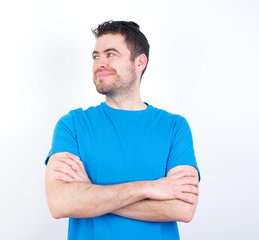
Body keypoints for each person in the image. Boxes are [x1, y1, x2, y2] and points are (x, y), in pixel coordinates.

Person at [44, 20, 200, 240]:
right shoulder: (73, 125)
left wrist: (90, 194)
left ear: (139, 62)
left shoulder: (174, 126)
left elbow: (183, 208)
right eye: (96, 56)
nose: (100, 63)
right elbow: (60, 203)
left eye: (111, 54)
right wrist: (148, 188)